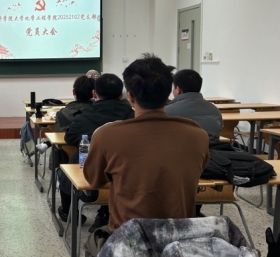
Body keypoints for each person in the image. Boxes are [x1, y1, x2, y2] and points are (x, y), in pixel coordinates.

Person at [83, 54, 210, 233]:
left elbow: (93, 179)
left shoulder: (107, 135)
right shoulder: (198, 135)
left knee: (93, 243)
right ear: (169, 92)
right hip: (179, 236)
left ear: (130, 96)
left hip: (128, 237)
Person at [59, 73, 135, 232]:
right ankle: (104, 213)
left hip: (90, 185)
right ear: (121, 95)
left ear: (94, 93)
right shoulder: (133, 116)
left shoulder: (83, 118)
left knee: (64, 172)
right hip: (127, 184)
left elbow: (69, 138)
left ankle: (69, 213)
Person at [165, 69, 223, 142]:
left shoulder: (167, 111)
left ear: (178, 89)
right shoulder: (215, 110)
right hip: (211, 148)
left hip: (182, 148)